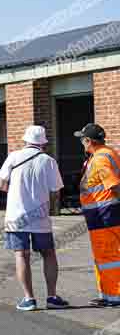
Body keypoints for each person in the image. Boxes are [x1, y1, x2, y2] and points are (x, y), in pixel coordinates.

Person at [0, 125, 68, 311]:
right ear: (43, 142)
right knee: (49, 254)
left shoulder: (13, 157)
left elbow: (1, 185)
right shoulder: (48, 161)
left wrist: (16, 192)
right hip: (40, 217)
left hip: (16, 216)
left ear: (25, 140)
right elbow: (56, 191)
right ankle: (52, 296)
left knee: (21, 255)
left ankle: (29, 299)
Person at [74, 123, 120, 307]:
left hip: (104, 215)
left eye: (82, 139)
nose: (81, 143)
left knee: (107, 256)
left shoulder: (101, 158)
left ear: (89, 140)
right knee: (107, 255)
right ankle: (108, 294)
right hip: (104, 214)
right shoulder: (106, 153)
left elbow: (114, 185)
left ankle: (114, 296)